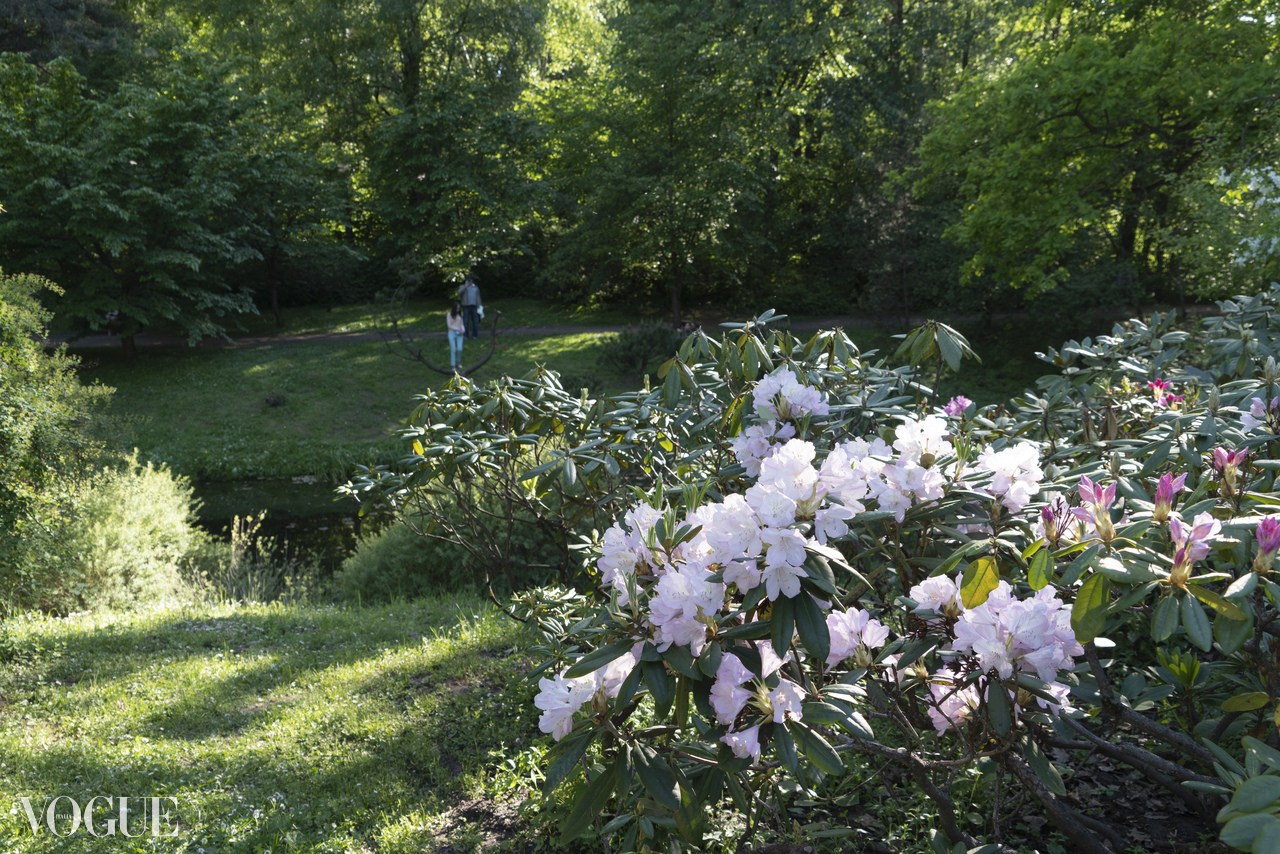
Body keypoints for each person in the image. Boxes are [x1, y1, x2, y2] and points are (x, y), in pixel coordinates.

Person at [457, 275, 482, 340]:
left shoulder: (475, 287)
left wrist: (480, 305)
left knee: (475, 322)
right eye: (467, 280)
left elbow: (478, 297)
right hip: (466, 306)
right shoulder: (462, 286)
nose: (468, 281)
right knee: (465, 322)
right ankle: (465, 335)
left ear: (472, 280)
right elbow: (459, 293)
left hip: (474, 306)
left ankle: (474, 335)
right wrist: (465, 286)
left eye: (469, 280)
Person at [446, 301, 466, 371]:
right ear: (454, 308)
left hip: (459, 333)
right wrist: (457, 329)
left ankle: (458, 362)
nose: (458, 310)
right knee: (453, 349)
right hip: (451, 333)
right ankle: (453, 365)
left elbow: (462, 324)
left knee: (459, 349)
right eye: (457, 308)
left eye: (459, 308)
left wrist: (463, 330)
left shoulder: (460, 314)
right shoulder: (449, 315)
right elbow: (449, 325)